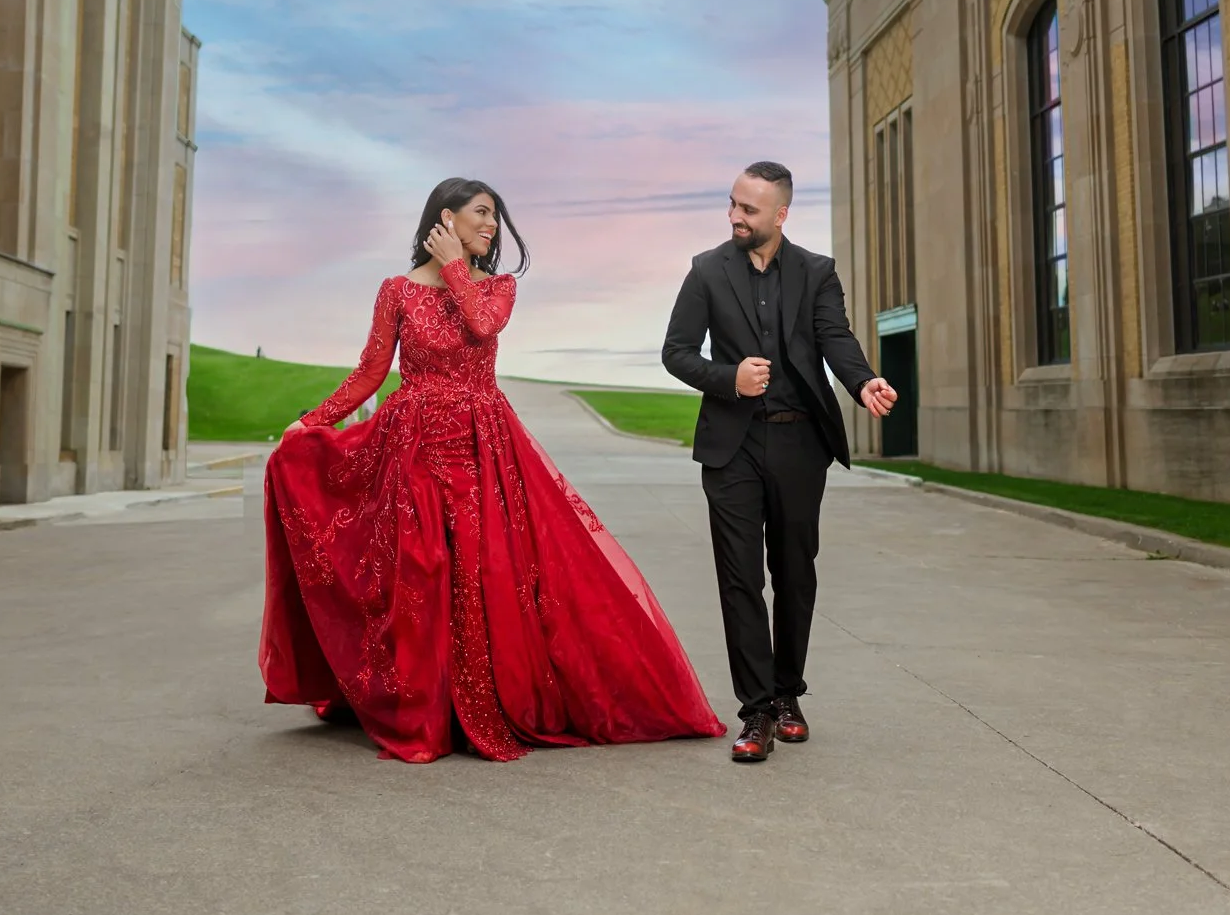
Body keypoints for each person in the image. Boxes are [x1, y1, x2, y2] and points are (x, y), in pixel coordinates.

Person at [260, 177, 725, 763]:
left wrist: (456, 266)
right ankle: (427, 706)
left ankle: (480, 703)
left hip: (485, 447)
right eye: (481, 213)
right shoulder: (396, 291)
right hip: (413, 445)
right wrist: (310, 423)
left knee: (487, 572)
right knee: (422, 572)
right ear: (444, 217)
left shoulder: (499, 286)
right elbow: (370, 373)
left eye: (496, 217)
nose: (492, 226)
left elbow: (482, 324)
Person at [662, 161, 897, 764]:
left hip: (798, 445)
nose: (736, 217)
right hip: (732, 446)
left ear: (781, 214)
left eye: (750, 209)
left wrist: (863, 380)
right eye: (733, 204)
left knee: (794, 573)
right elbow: (677, 353)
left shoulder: (817, 272)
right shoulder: (706, 271)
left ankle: (790, 694)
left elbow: (834, 337)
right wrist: (729, 378)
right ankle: (757, 710)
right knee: (739, 578)